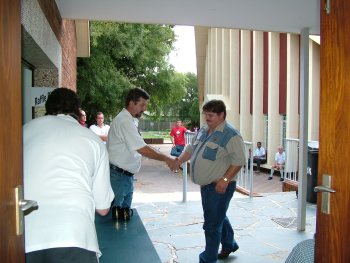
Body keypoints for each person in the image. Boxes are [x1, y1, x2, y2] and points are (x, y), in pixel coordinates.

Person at [23, 88, 114, 263]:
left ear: (47, 108)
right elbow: (103, 208)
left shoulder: (24, 130)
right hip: (75, 235)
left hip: (25, 237)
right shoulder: (93, 140)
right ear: (78, 111)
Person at [176, 99, 246, 263]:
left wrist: (225, 179)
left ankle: (208, 259)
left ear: (221, 115)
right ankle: (229, 244)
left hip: (220, 187)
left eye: (211, 115)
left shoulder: (231, 135)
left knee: (212, 224)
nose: (207, 118)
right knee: (218, 216)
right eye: (206, 114)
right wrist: (178, 160)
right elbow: (191, 148)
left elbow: (240, 160)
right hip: (206, 187)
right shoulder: (204, 130)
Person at [107, 87, 178, 221]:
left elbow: (141, 145)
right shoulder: (124, 121)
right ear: (131, 103)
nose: (144, 109)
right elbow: (142, 148)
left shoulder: (130, 120)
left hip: (125, 176)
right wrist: (167, 159)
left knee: (123, 218)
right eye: (142, 105)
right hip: (118, 177)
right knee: (114, 221)